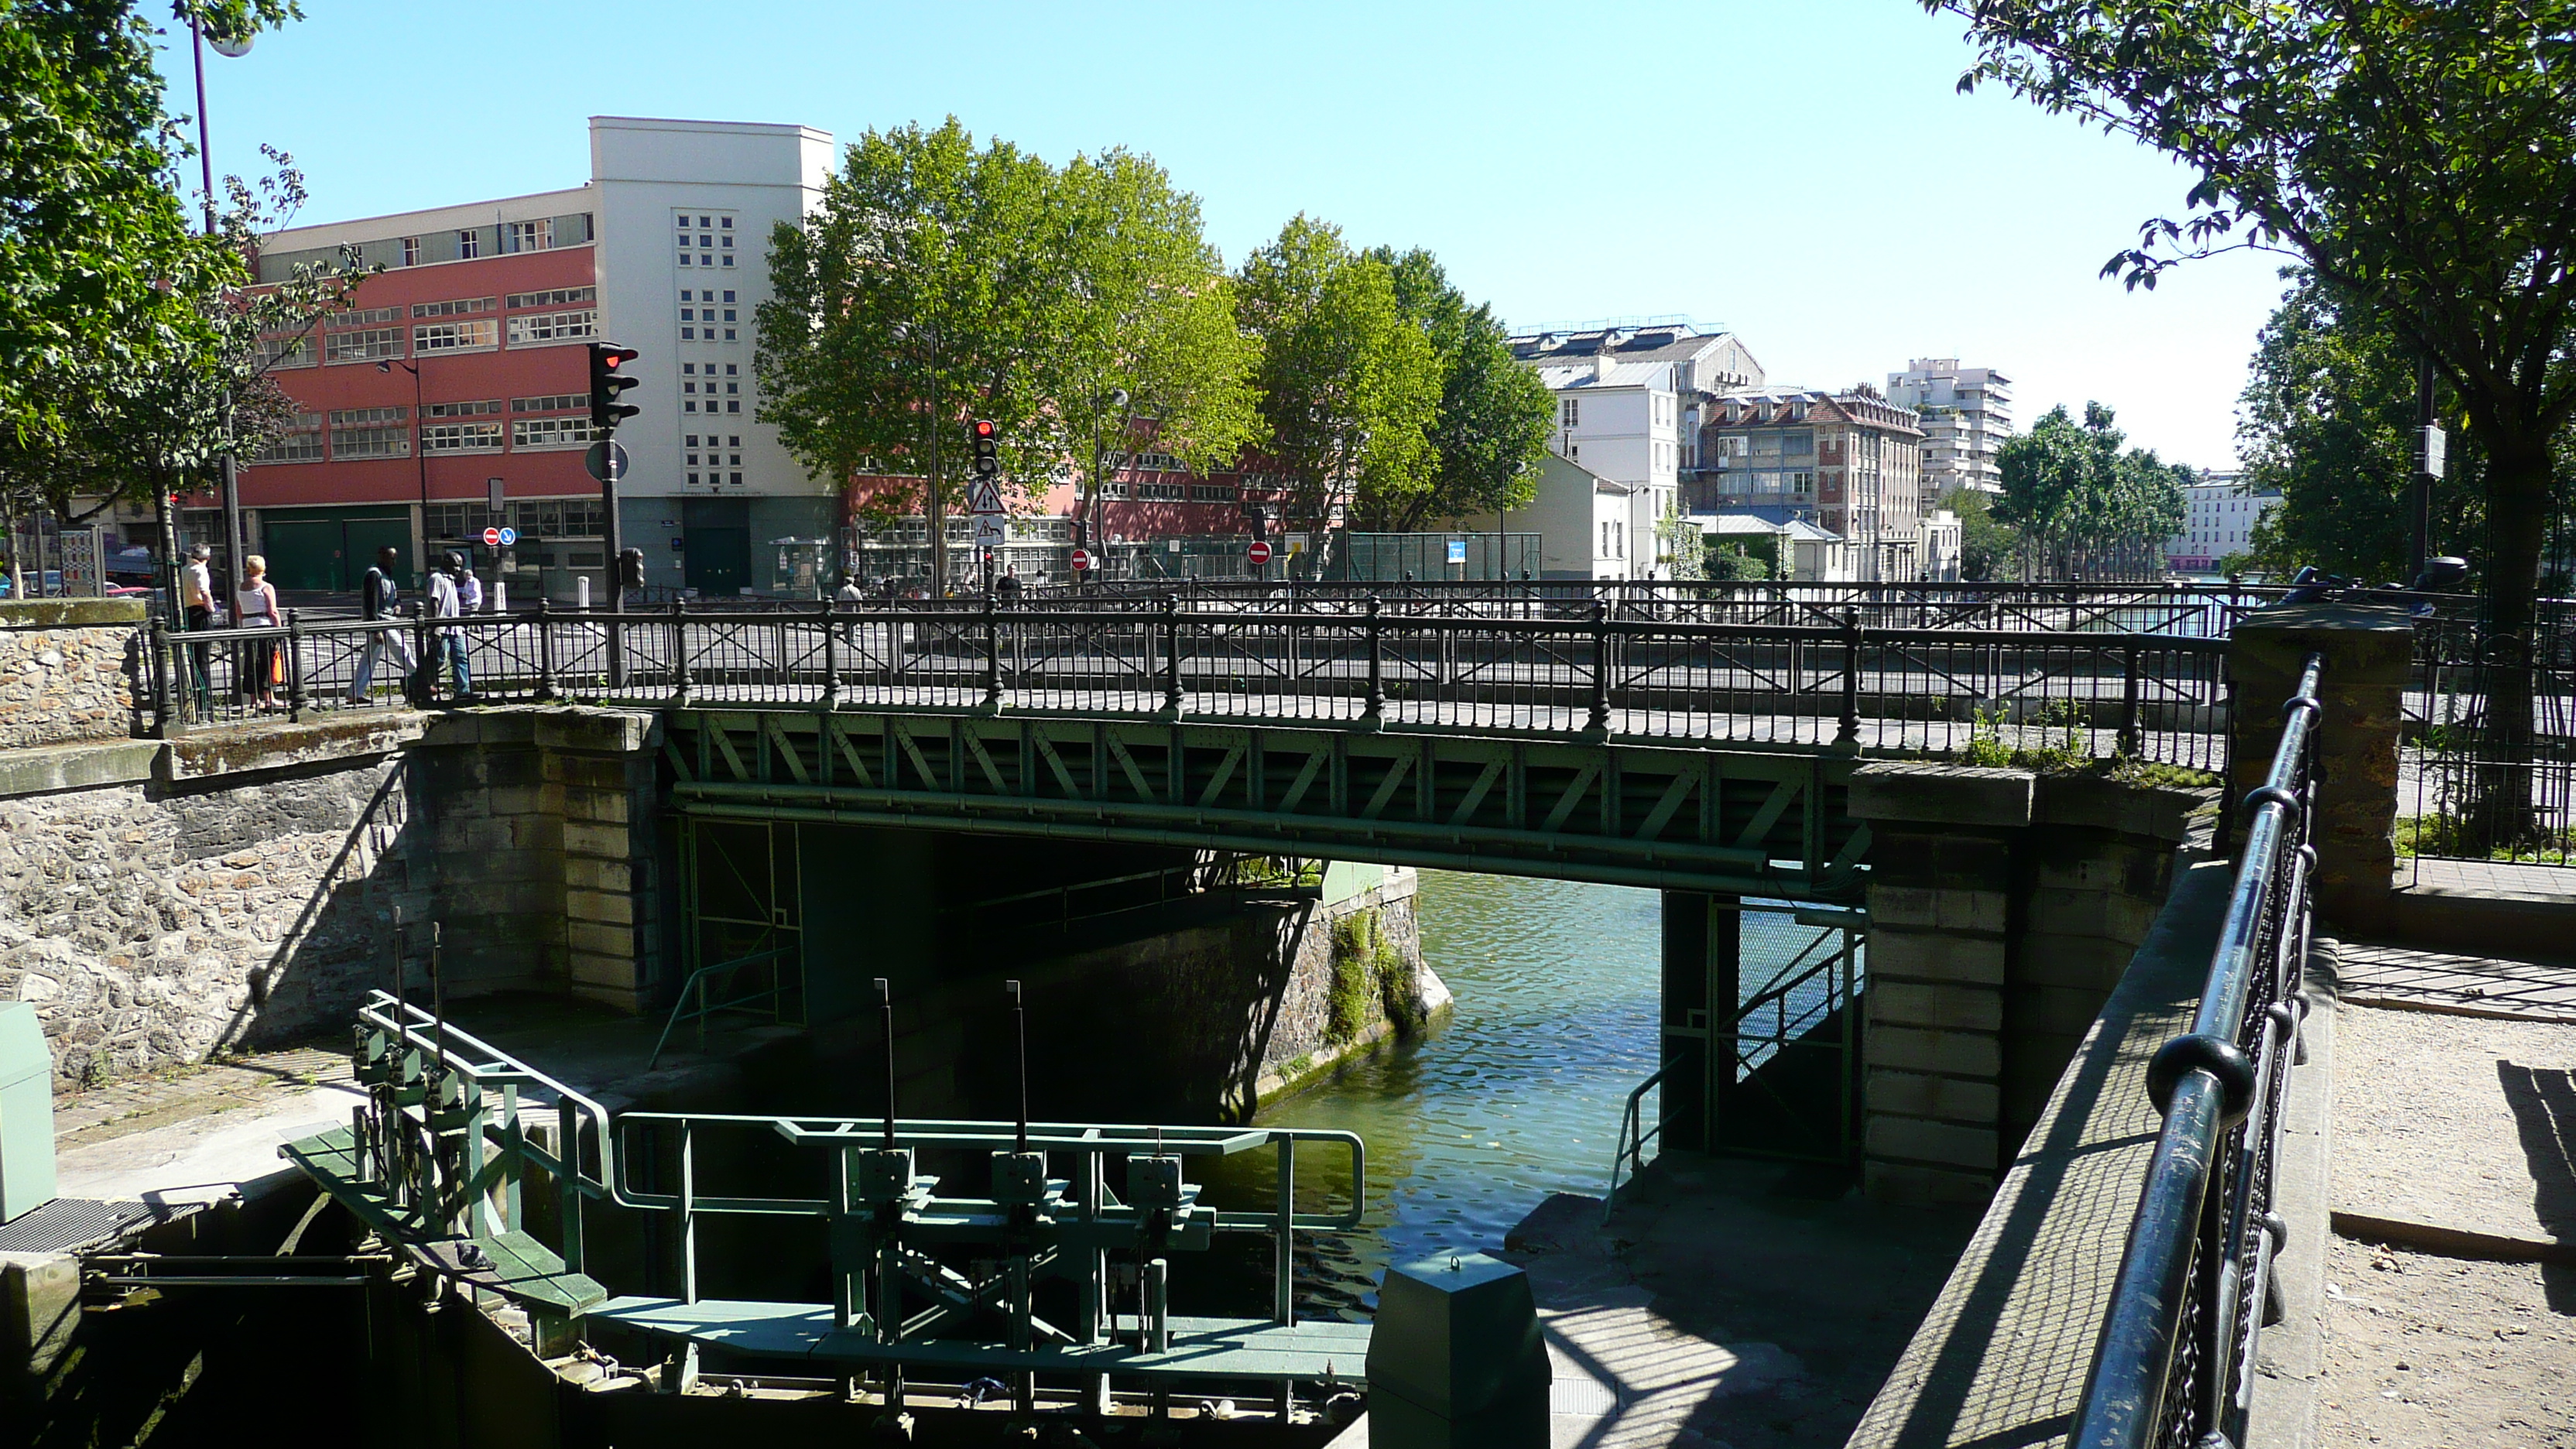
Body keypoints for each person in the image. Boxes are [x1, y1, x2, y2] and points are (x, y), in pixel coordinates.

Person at [347, 546, 417, 705]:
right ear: (382, 557)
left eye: (395, 558)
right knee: (402, 650)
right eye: (391, 558)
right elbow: (370, 603)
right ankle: (420, 680)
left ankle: (354, 693)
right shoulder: (374, 574)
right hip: (381, 622)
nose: (394, 561)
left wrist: (397, 604)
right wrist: (375, 629)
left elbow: (393, 596)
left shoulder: (384, 574)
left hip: (386, 620)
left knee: (370, 658)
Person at [233, 554, 282, 711]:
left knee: (251, 664)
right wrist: (279, 629)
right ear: (263, 569)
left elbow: (238, 611)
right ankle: (269, 698)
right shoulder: (266, 587)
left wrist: (243, 625)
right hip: (264, 626)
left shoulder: (241, 587)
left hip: (248, 627)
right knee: (267, 662)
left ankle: (254, 700)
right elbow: (272, 610)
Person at [430, 552, 473, 701]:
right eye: (455, 565)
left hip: (455, 627)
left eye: (460, 566)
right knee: (439, 659)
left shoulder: (451, 579)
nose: (458, 569)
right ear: (446, 562)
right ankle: (422, 686)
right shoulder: (437, 578)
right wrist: (436, 626)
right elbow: (434, 602)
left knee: (461, 658)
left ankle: (463, 691)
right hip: (442, 627)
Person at [180, 543, 216, 706]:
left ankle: (196, 694)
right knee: (204, 657)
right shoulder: (201, 570)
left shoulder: (184, 570)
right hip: (200, 612)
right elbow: (204, 591)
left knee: (194, 656)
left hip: (188, 611)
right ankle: (205, 700)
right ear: (207, 558)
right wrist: (211, 608)